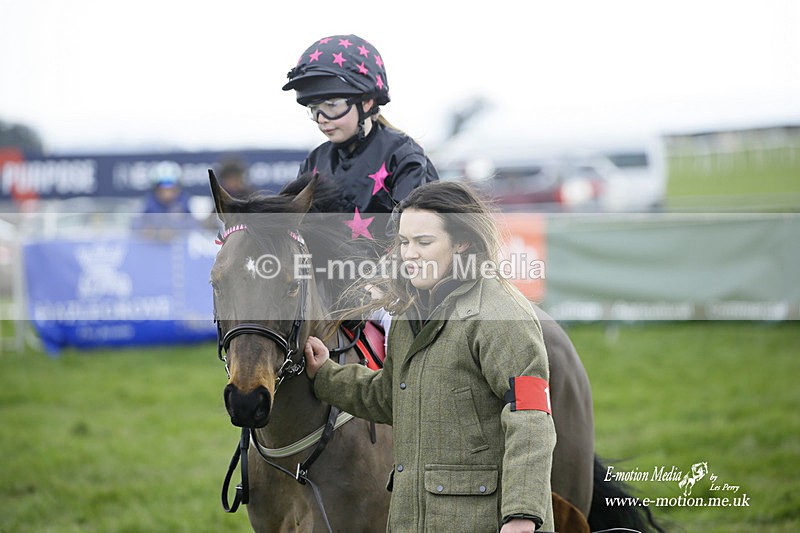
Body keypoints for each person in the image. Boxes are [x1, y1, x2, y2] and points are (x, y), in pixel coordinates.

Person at [304, 181, 556, 532]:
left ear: (462, 241)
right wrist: (325, 374)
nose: (409, 254)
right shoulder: (409, 315)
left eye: (423, 242)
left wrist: (521, 515)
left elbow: (530, 417)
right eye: (404, 242)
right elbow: (389, 397)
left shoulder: (501, 313)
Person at [282, 34, 438, 251]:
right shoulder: (314, 162)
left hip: (394, 271)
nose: (322, 119)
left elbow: (413, 238)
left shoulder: (404, 156)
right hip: (328, 271)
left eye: (332, 105)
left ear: (366, 102)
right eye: (314, 109)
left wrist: (375, 274)